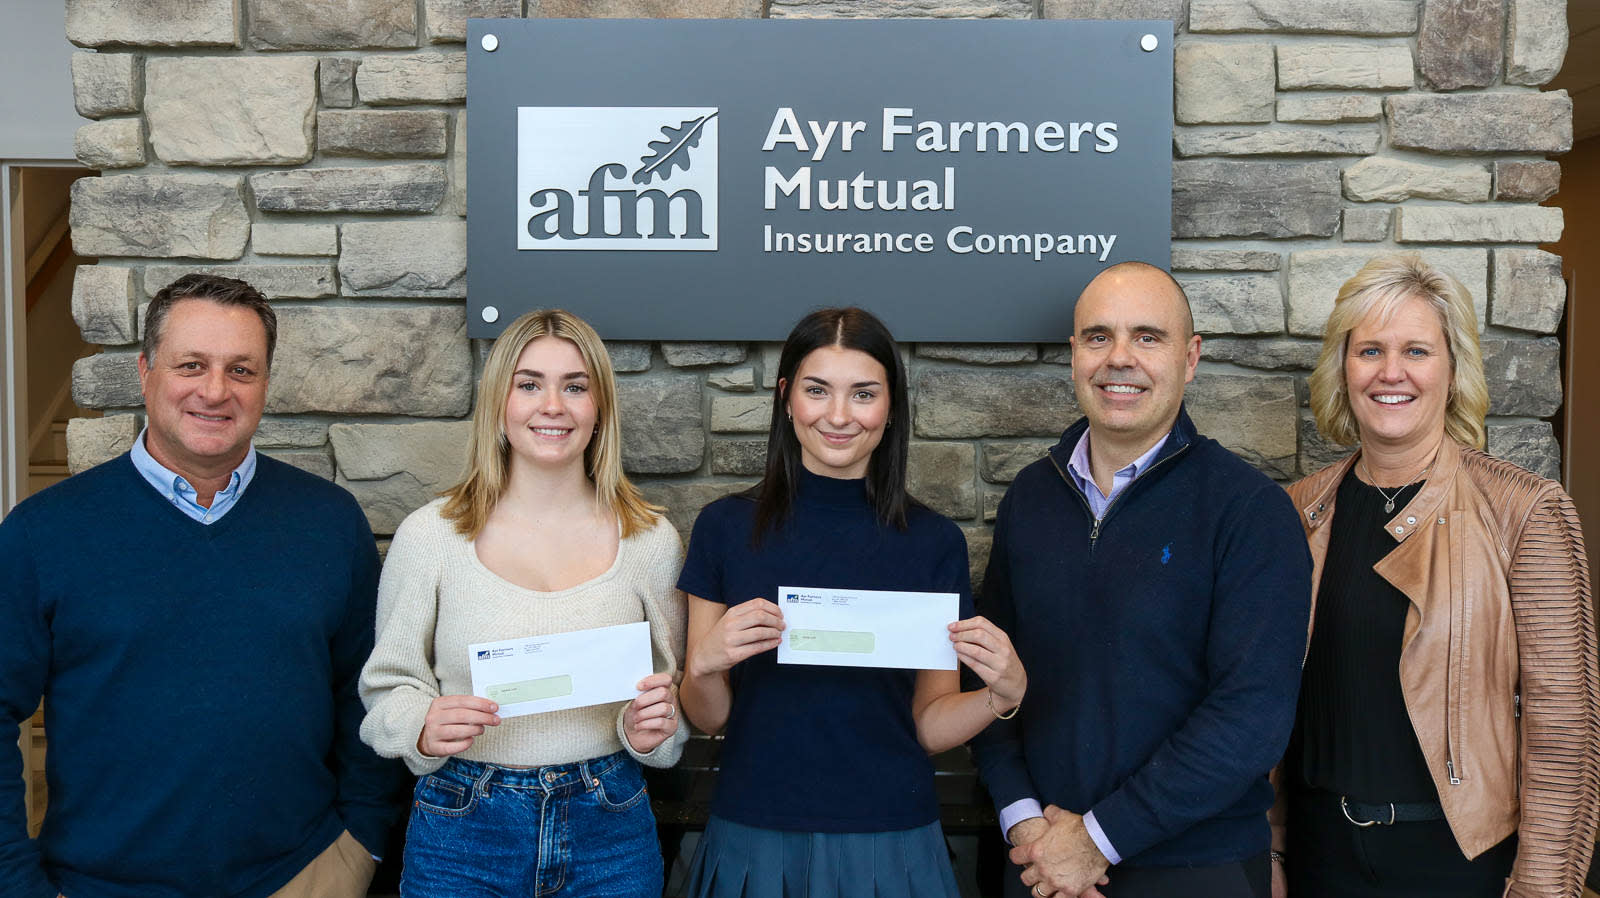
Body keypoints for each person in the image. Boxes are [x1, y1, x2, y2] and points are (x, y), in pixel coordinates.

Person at [0, 273, 406, 898]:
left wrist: (364, 843)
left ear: (265, 383)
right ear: (146, 373)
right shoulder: (43, 534)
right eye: (191, 365)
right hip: (98, 886)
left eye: (241, 370)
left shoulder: (327, 523)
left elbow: (369, 694)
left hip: (303, 875)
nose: (215, 391)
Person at [974, 261, 1313, 898]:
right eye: (1098, 337)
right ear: (1074, 354)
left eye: (1148, 337)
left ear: (1190, 359)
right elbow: (988, 671)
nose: (1119, 358)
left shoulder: (1247, 510)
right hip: (1038, 866)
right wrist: (1024, 822)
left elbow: (1252, 717)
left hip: (1195, 870)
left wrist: (1097, 838)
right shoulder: (1030, 498)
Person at [1274, 253, 1598, 897]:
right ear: (1343, 370)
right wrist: (1273, 852)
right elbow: (1261, 706)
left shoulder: (1524, 512)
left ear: (1453, 371)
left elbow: (1562, 734)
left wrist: (1542, 887)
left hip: (1459, 863)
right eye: (1369, 350)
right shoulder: (1298, 509)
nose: (1390, 373)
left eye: (1417, 351)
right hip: (1318, 856)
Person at [676, 307, 1026, 897]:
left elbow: (931, 723)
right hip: (754, 829)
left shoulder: (934, 543)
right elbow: (709, 716)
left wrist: (1002, 696)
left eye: (863, 394)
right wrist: (705, 664)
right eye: (818, 390)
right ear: (787, 398)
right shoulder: (724, 529)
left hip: (893, 836)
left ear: (890, 408)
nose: (838, 416)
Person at [359, 309, 685, 897]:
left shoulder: (650, 541)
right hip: (464, 826)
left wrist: (649, 731)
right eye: (529, 383)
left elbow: (670, 696)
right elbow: (388, 688)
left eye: (575, 386)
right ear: (498, 404)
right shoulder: (431, 535)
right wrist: (421, 725)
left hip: (609, 825)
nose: (553, 405)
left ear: (600, 407)